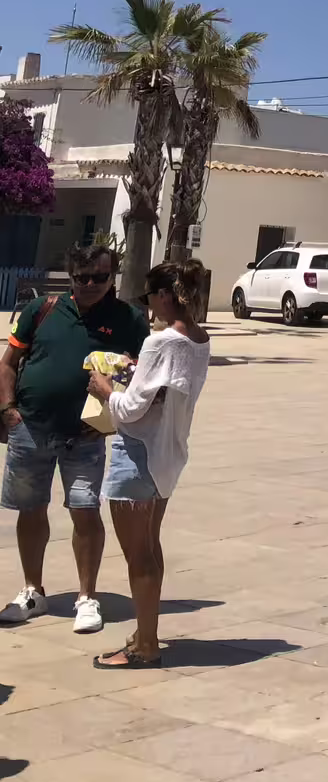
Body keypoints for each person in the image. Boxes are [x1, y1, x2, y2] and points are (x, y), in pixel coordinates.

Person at [0, 243, 147, 634]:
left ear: (111, 275)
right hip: (29, 428)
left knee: (84, 511)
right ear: (71, 277)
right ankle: (33, 591)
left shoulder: (128, 318)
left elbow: (145, 376)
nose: (90, 285)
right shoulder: (42, 310)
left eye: (99, 277)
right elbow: (8, 364)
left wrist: (121, 390)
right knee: (30, 509)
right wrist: (8, 412)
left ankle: (87, 597)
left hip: (85, 435)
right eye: (81, 278)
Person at [86, 260, 212, 669]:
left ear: (163, 296)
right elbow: (166, 393)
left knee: (137, 555)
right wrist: (137, 371)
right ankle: (145, 633)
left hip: (138, 454)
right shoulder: (199, 339)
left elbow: (132, 410)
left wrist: (106, 389)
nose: (150, 307)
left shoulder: (159, 342)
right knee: (150, 548)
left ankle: (145, 646)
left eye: (150, 297)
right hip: (169, 454)